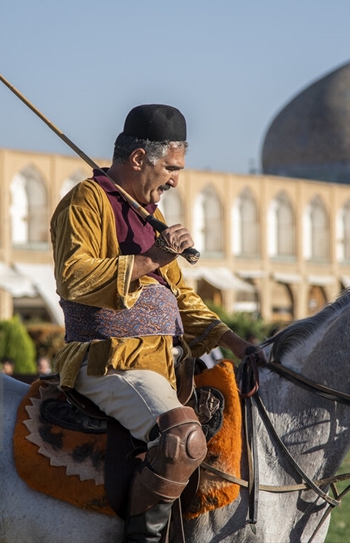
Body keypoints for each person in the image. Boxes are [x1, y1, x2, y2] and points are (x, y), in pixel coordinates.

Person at [50, 104, 252, 542]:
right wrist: (152, 258)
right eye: (172, 167)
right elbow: (73, 276)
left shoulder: (150, 217)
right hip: (107, 361)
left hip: (162, 365)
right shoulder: (86, 202)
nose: (177, 179)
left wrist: (240, 345)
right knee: (182, 439)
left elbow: (180, 300)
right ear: (140, 159)